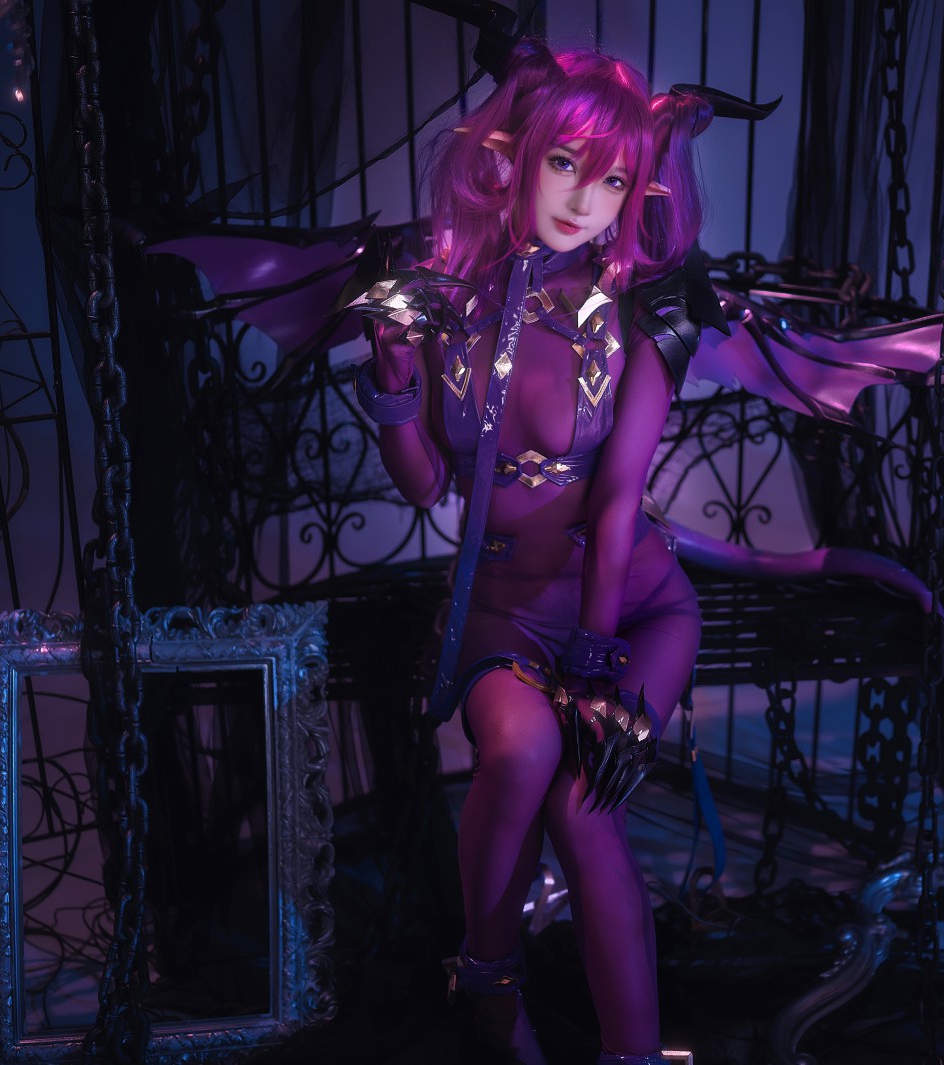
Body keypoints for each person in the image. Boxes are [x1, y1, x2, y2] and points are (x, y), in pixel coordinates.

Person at [351, 38, 715, 1065]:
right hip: (505, 614)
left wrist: (597, 661)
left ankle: (630, 1056)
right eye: (565, 164)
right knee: (519, 752)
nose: (585, 200)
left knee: (583, 804)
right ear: (515, 156)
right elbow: (426, 484)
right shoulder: (443, 300)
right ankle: (488, 977)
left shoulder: (640, 318)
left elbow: (619, 501)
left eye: (614, 181)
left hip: (633, 611)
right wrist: (391, 389)